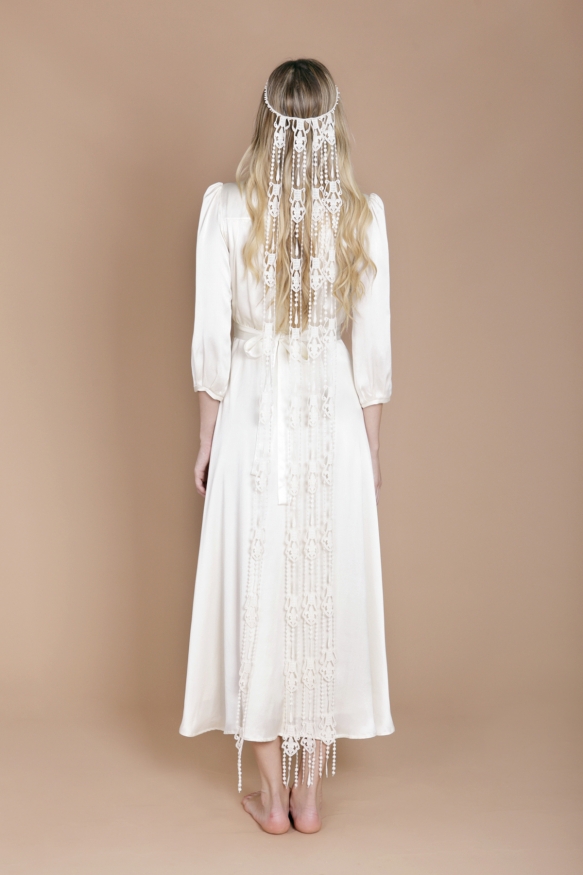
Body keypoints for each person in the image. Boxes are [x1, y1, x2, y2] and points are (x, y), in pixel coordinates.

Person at [179, 58, 394, 835]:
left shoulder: (227, 207)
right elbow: (371, 356)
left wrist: (206, 438)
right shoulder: (361, 214)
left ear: (267, 122)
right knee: (322, 590)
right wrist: (369, 453)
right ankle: (309, 794)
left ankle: (270, 798)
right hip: (332, 423)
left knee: (259, 594)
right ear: (331, 126)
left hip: (255, 417)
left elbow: (213, 340)